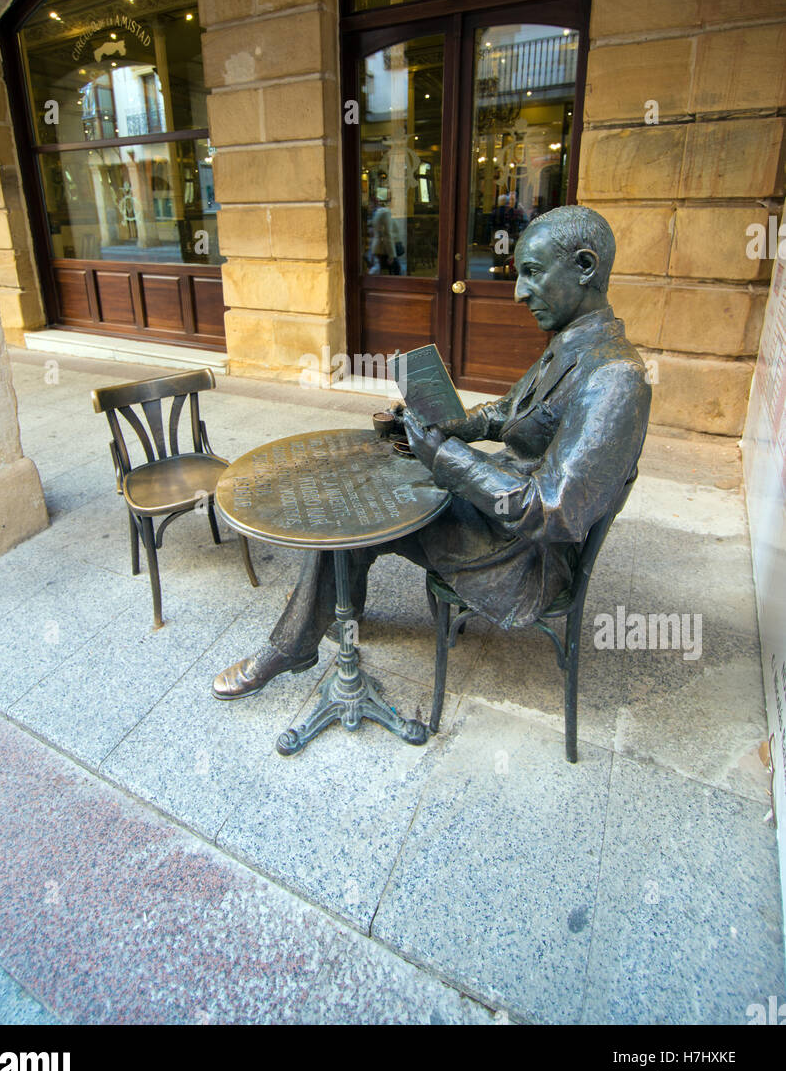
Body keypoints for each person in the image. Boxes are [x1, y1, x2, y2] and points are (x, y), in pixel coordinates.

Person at [212, 204, 651, 700]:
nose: (519, 292)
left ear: (585, 267)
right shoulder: (573, 344)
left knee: (355, 517)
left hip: (522, 555)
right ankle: (337, 611)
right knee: (373, 486)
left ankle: (296, 640)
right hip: (498, 512)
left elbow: (552, 511)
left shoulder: (613, 377)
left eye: (531, 273)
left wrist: (445, 455)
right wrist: (458, 424)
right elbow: (513, 411)